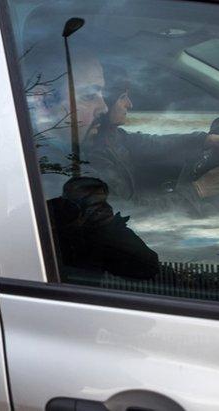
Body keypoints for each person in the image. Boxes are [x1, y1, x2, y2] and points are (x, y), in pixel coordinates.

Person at [44, 50, 160, 281]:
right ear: (43, 100)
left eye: (102, 94)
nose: (104, 107)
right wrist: (197, 191)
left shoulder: (62, 156)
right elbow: (143, 263)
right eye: (89, 95)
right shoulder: (65, 181)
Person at [83, 64, 219, 215]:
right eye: (122, 97)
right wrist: (198, 190)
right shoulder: (96, 158)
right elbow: (131, 213)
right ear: (109, 101)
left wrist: (210, 140)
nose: (130, 104)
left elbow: (153, 144)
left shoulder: (111, 137)